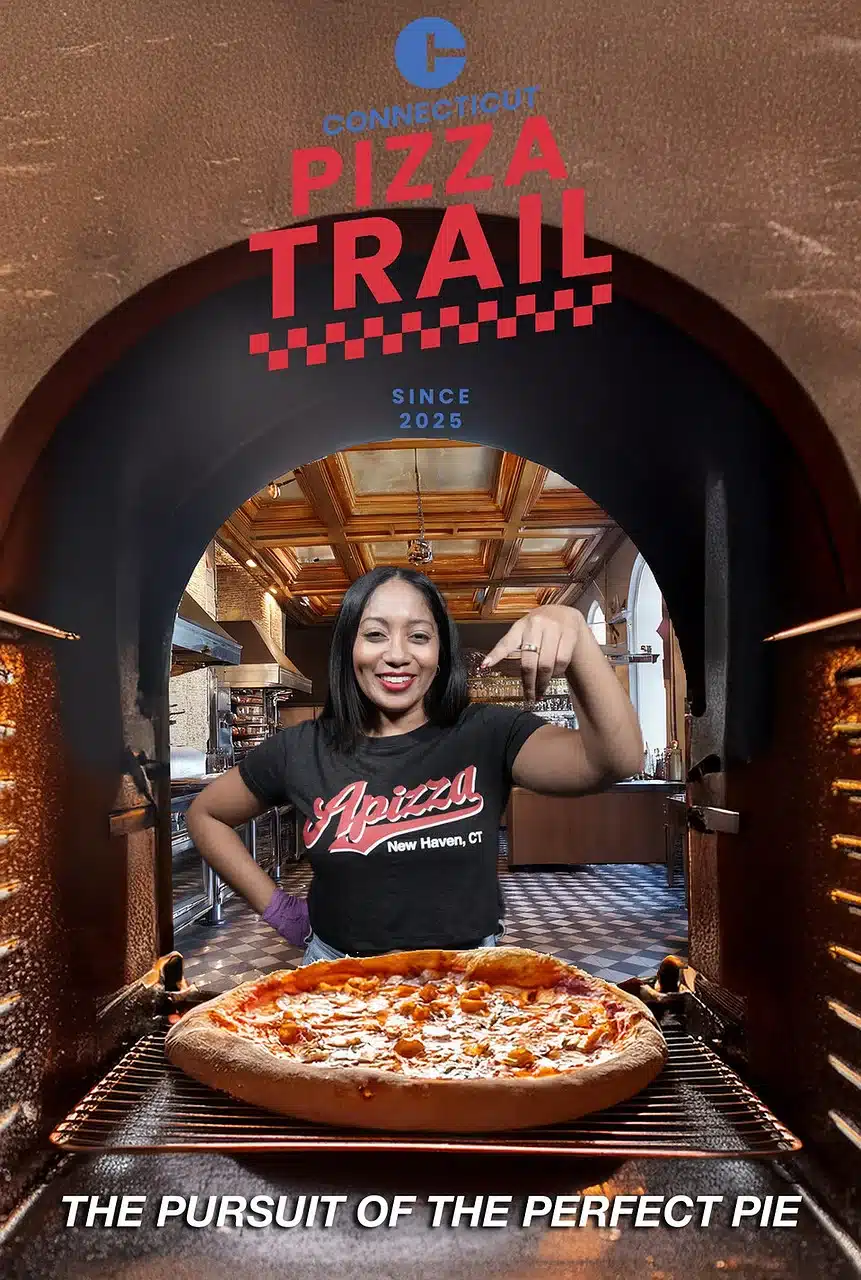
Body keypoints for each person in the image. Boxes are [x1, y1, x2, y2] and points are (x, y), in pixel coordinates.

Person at [187, 565, 643, 965]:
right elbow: (205, 814)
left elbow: (616, 760)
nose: (398, 654)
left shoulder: (488, 733)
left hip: (469, 976)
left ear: (440, 652)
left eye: (419, 636)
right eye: (375, 634)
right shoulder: (299, 747)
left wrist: (578, 635)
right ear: (349, 647)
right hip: (339, 976)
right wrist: (281, 911)